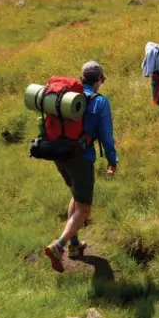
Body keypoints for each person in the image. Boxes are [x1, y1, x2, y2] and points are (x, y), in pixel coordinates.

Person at [44, 61, 118, 273]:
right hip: (81, 157)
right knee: (84, 207)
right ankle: (58, 245)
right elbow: (106, 136)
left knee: (76, 195)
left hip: (58, 153)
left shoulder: (67, 96)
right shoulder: (99, 102)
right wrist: (112, 160)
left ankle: (75, 245)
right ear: (99, 81)